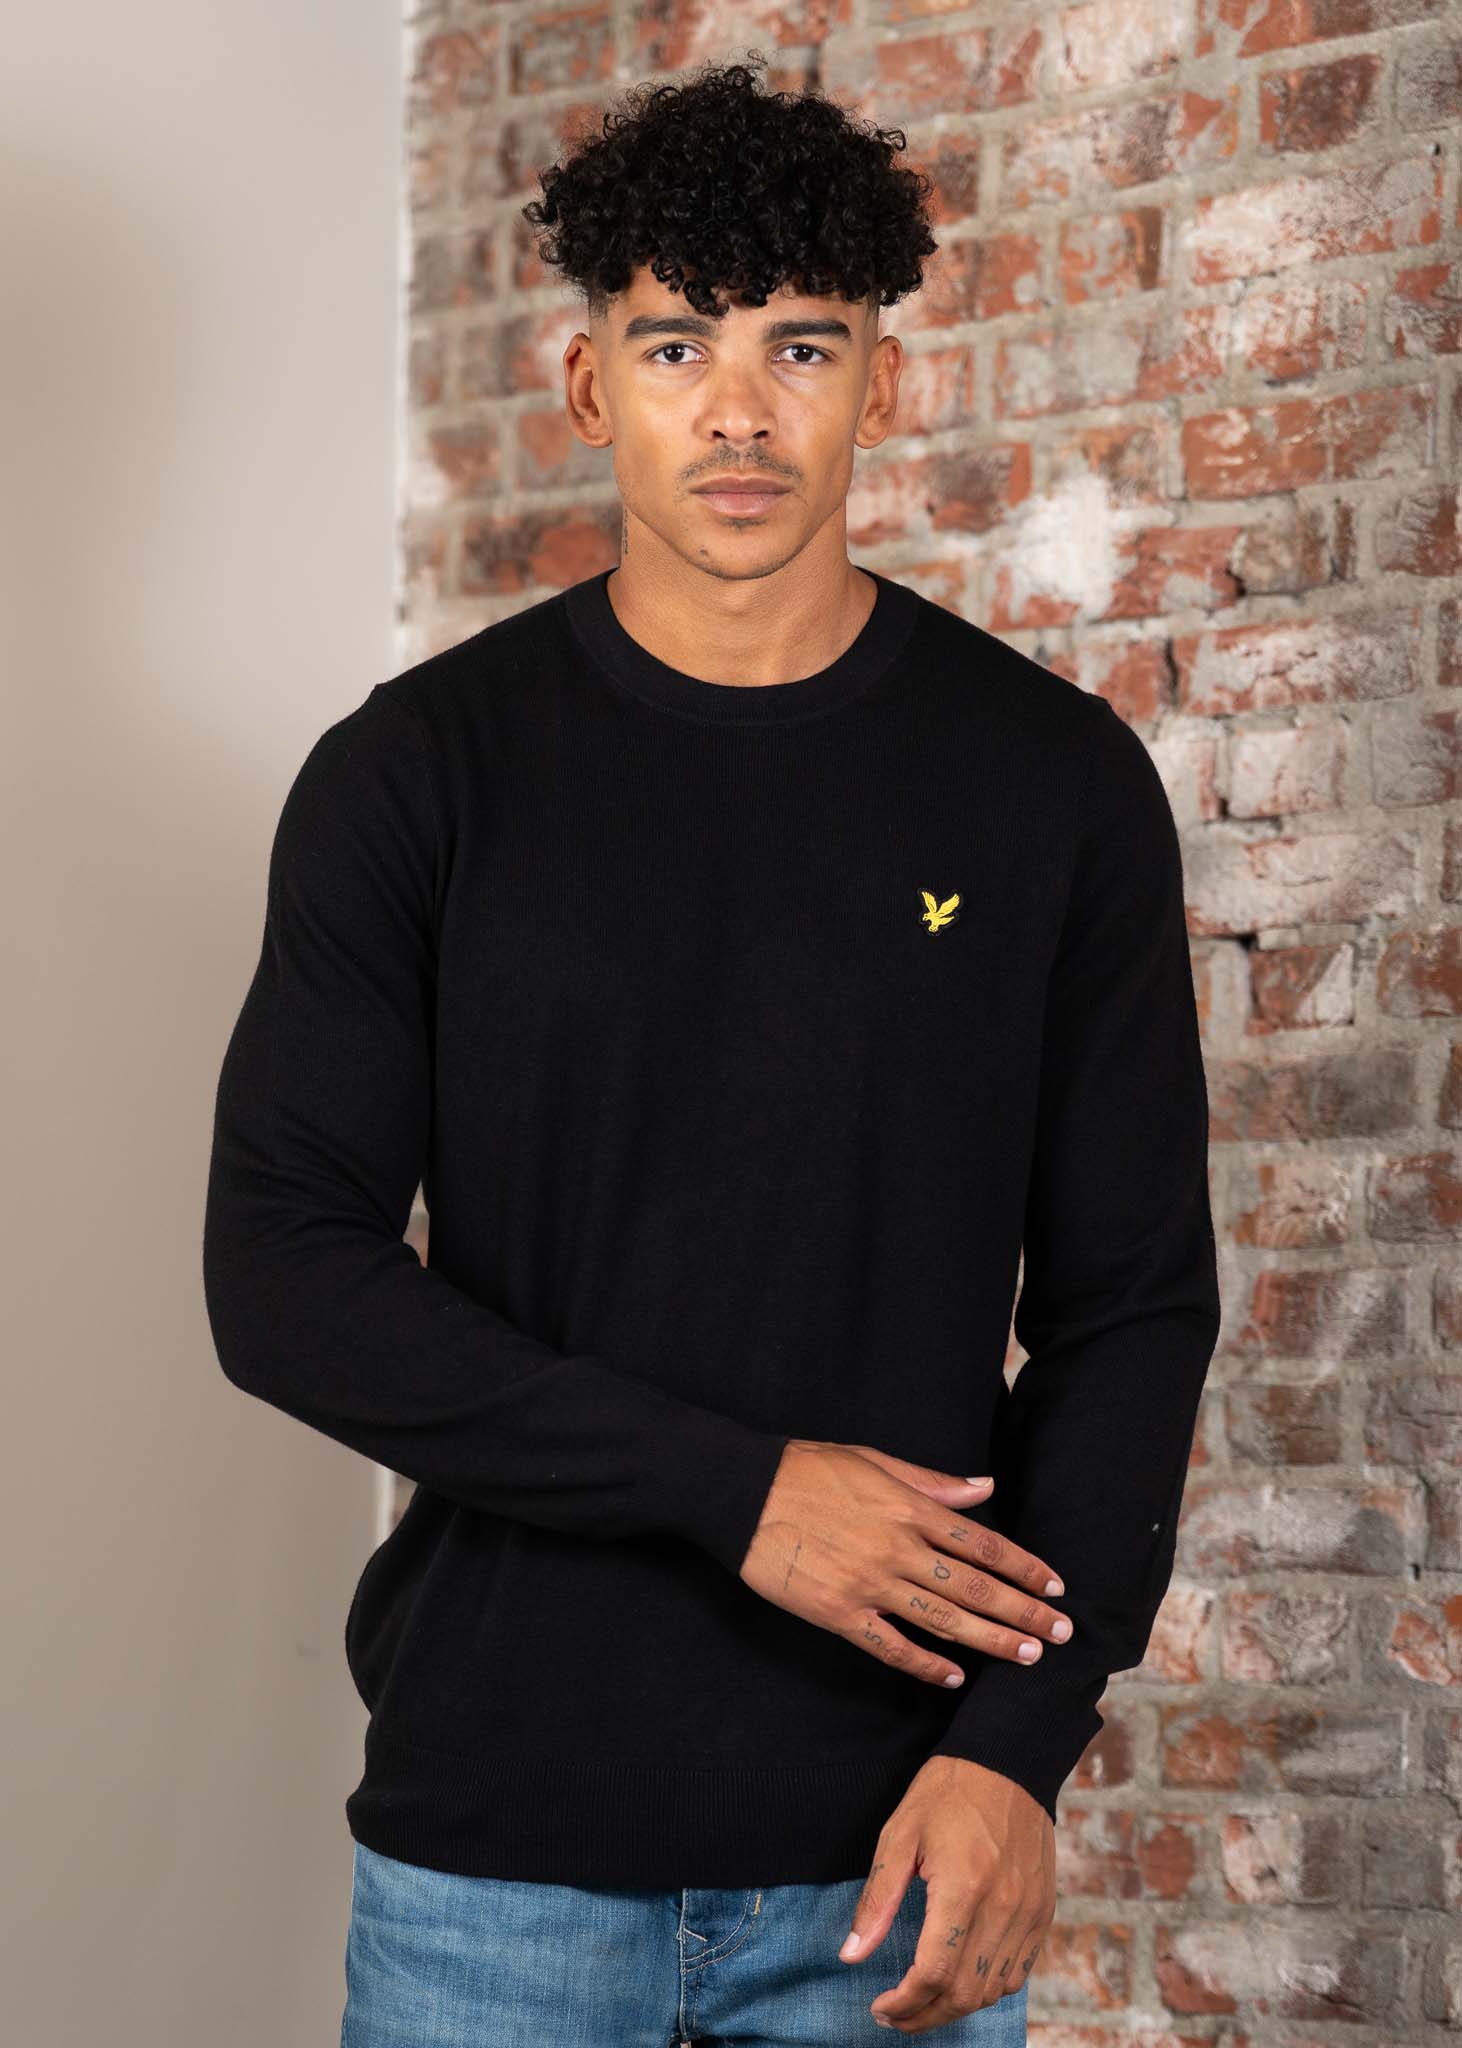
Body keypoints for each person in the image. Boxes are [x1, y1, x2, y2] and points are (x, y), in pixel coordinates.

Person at [201, 50, 1221, 2047]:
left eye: (799, 347)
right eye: (678, 346)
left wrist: (1017, 1749)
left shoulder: (1047, 786)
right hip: (494, 1868)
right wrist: (740, 1488)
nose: (739, 412)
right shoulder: (416, 777)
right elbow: (282, 1275)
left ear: (880, 385)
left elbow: (1130, 1307)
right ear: (589, 386)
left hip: (895, 1861)